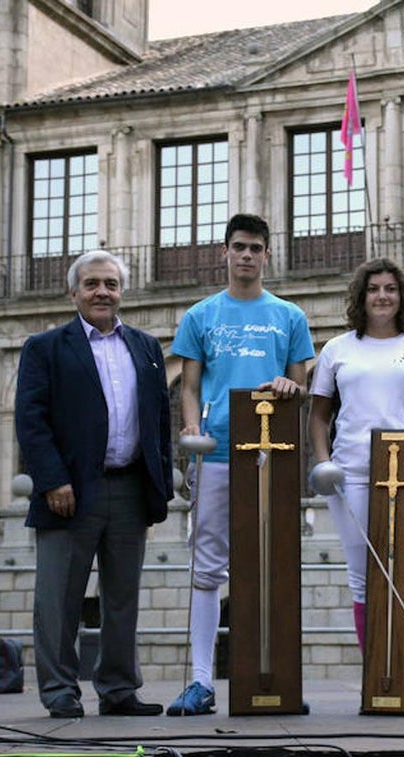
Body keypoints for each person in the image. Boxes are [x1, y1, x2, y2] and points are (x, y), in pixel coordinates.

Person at [15, 250, 174, 719]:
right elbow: (31, 421)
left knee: (122, 596)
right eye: (92, 284)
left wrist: (158, 486)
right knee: (59, 598)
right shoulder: (45, 347)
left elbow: (158, 418)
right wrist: (52, 480)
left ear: (122, 291)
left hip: (129, 489)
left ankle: (119, 689)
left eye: (110, 283)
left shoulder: (145, 347)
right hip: (70, 493)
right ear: (74, 292)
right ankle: (61, 691)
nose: (102, 291)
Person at [167, 213, 313, 716]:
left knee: (274, 563)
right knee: (207, 569)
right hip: (218, 454)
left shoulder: (289, 316)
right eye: (238, 247)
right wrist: (192, 430)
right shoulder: (201, 315)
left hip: (274, 455)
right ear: (224, 253)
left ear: (267, 255)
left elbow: (301, 387)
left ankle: (277, 678)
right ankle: (202, 682)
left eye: (255, 247)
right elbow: (189, 387)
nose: (246, 255)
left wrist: (292, 388)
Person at [308, 258, 404, 715]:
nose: (383, 296)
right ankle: (378, 677)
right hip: (351, 473)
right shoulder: (336, 350)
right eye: (373, 289)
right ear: (361, 296)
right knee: (363, 580)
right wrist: (323, 462)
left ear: (401, 296)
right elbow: (318, 417)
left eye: (391, 288)